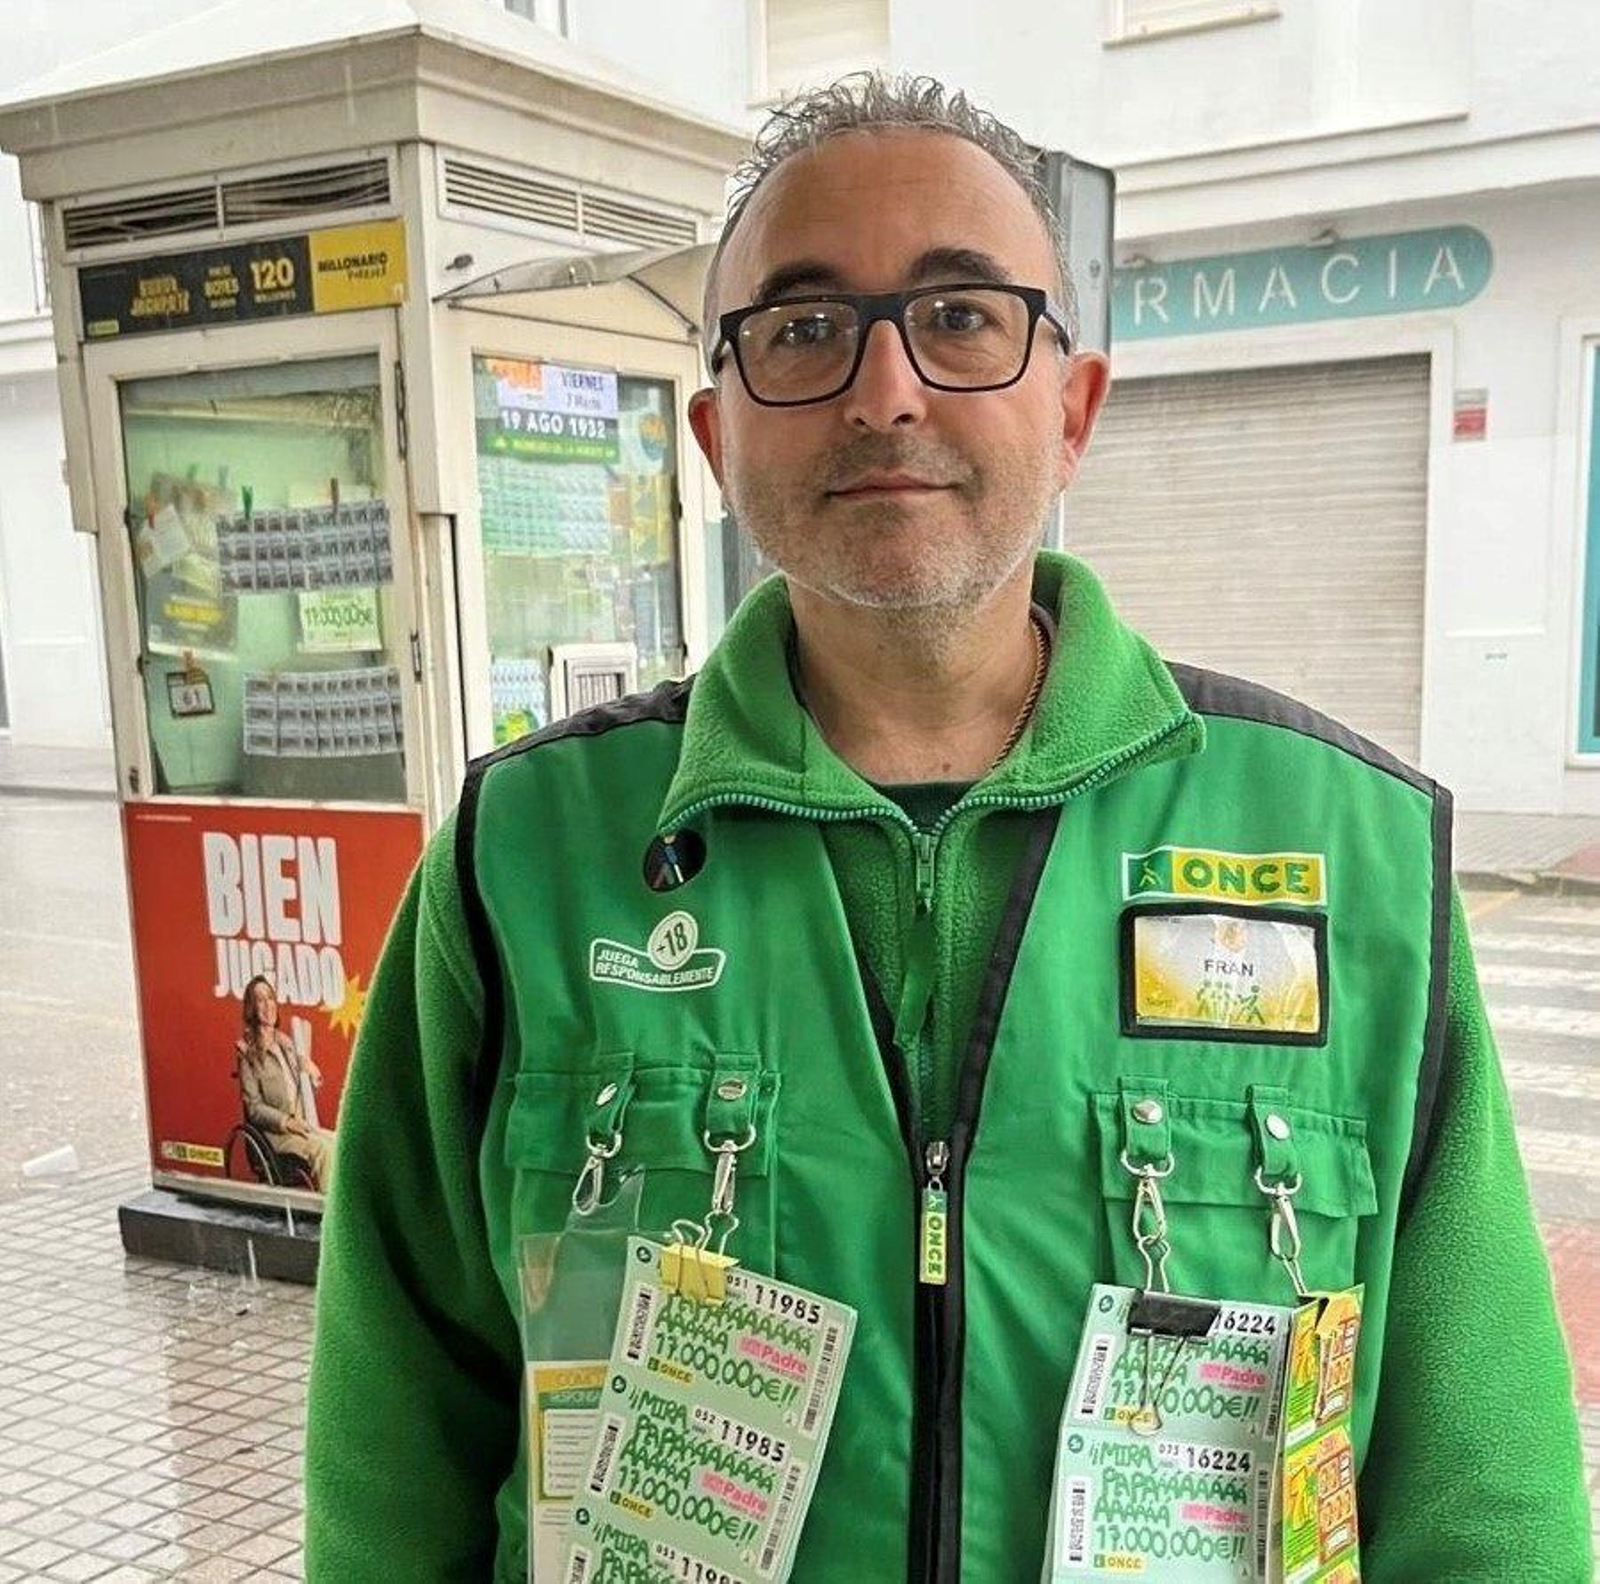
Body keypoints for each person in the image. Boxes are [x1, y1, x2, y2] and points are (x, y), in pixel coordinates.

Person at [305, 72, 1588, 1582]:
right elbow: (394, 1448)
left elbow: (1487, 1496)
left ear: (1073, 408)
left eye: (961, 316)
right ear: (719, 440)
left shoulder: (1355, 852)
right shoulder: (520, 858)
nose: (884, 389)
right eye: (804, 329)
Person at [236, 973, 332, 1191]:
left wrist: (313, 1077)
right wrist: (287, 1122)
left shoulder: (287, 1044)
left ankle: (346, 1209)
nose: (268, 1005)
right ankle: (327, 1216)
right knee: (324, 1151)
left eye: (270, 997)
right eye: (260, 999)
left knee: (341, 1144)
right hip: (278, 1136)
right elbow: (254, 1109)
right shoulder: (246, 1052)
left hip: (302, 1125)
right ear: (251, 1007)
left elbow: (301, 1093)